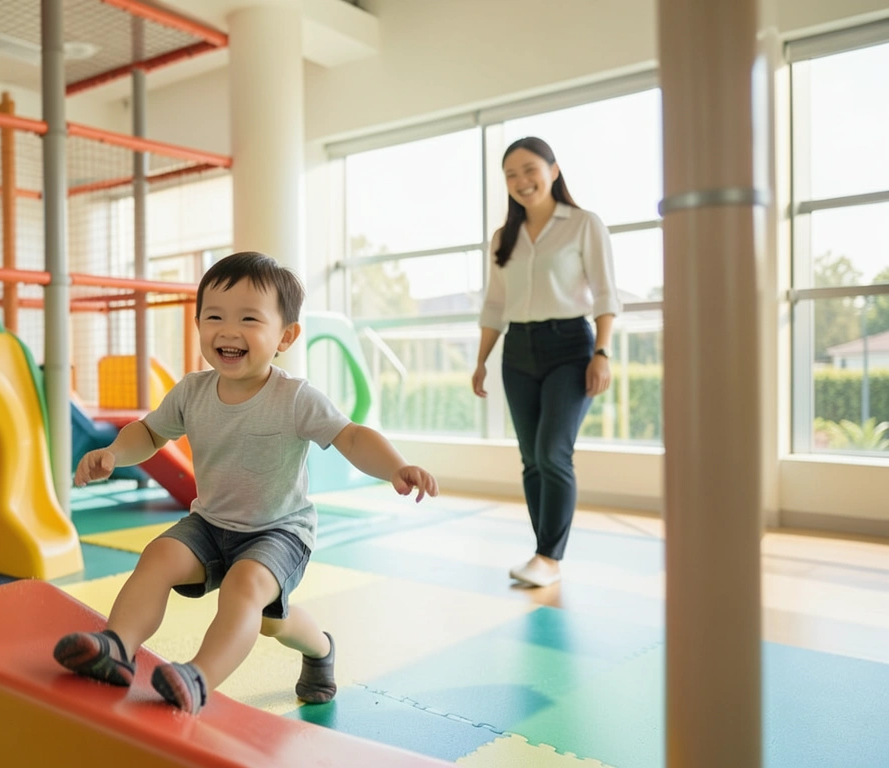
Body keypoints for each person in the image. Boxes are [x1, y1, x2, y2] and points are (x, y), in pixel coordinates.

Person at [54, 251, 439, 715]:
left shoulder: (295, 398)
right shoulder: (192, 391)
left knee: (259, 606)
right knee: (158, 557)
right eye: (214, 316)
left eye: (249, 319)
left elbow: (352, 436)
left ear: (285, 336)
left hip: (278, 531)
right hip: (210, 522)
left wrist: (396, 467)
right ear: (198, 324)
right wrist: (115, 453)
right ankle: (117, 647)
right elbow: (151, 433)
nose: (228, 330)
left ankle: (217, 673)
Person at [472, 136, 621, 589]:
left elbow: (605, 293)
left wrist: (602, 353)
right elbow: (495, 304)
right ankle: (543, 553)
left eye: (530, 170)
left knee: (553, 452)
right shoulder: (503, 238)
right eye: (511, 175)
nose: (521, 181)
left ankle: (548, 557)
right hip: (517, 349)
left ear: (553, 171)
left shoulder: (583, 224)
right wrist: (481, 361)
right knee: (531, 459)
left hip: (570, 347)